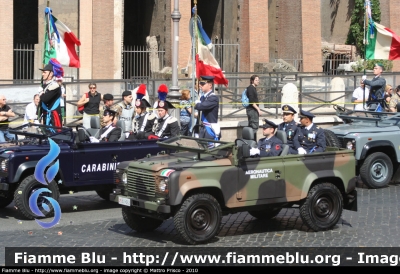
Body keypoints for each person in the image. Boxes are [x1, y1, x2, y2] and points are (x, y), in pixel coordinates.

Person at [194, 76, 221, 146]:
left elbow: (201, 106)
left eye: (203, 84)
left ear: (210, 85)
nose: (200, 85)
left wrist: (197, 104)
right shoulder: (203, 97)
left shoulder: (213, 98)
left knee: (211, 152)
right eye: (200, 83)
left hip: (210, 129)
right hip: (203, 128)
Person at [38, 58, 64, 129]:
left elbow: (45, 99)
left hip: (53, 117)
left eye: (44, 72)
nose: (42, 74)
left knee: (54, 137)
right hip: (46, 116)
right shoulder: (46, 85)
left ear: (51, 74)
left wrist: (41, 93)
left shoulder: (55, 86)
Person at [246, 75, 261, 141]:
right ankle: (252, 143)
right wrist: (258, 109)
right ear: (252, 81)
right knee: (254, 127)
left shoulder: (253, 88)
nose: (258, 81)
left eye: (258, 80)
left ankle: (252, 143)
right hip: (252, 110)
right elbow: (251, 101)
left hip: (253, 110)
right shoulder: (251, 88)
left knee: (252, 126)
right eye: (256, 80)